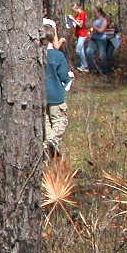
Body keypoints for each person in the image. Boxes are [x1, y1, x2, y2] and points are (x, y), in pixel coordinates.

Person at [42, 26, 72, 156]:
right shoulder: (58, 56)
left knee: (46, 122)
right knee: (60, 120)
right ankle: (53, 141)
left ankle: (48, 143)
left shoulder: (34, 56)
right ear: (52, 38)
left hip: (40, 96)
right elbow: (64, 76)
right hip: (56, 94)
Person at [90, 7, 114, 73]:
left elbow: (101, 30)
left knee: (102, 55)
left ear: (99, 12)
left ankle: (105, 70)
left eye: (95, 12)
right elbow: (92, 30)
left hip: (102, 40)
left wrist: (93, 27)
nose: (94, 13)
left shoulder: (104, 21)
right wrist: (89, 37)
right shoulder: (95, 21)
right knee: (89, 52)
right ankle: (93, 69)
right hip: (94, 39)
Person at [70, 4, 90, 72]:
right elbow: (76, 24)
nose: (74, 11)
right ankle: (83, 67)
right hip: (78, 34)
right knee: (81, 50)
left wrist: (73, 19)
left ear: (76, 8)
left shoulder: (82, 13)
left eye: (73, 10)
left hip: (83, 34)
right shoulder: (77, 15)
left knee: (78, 50)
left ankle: (85, 65)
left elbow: (80, 25)